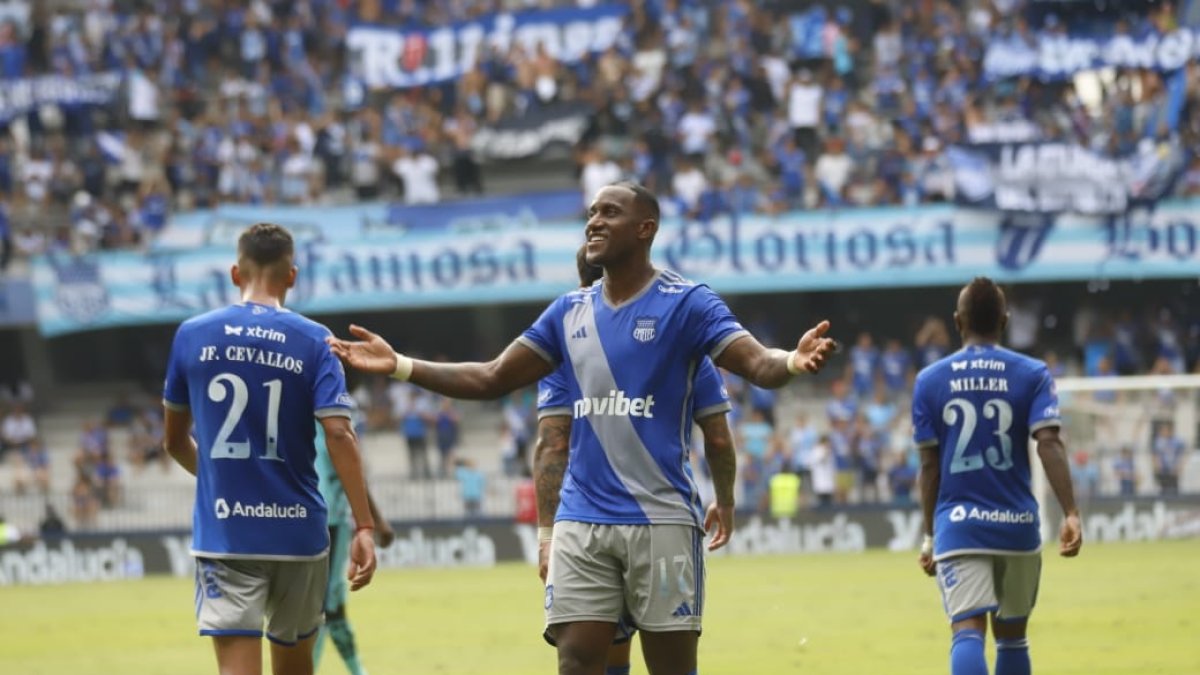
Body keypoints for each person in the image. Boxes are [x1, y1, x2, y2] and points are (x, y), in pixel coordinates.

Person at [329, 181, 837, 675]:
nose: (594, 221)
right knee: (575, 659)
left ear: (645, 229)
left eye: (609, 212)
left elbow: (756, 364)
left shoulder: (688, 304)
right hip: (582, 519)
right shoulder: (566, 313)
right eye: (592, 212)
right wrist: (400, 364)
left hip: (660, 519)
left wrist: (793, 359)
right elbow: (491, 378)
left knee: (672, 668)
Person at [162, 222, 377, 675]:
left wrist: (222, 480)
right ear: (292, 276)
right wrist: (364, 525)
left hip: (227, 533)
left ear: (235, 274)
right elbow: (340, 435)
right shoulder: (317, 340)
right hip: (299, 534)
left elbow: (174, 441)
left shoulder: (192, 335)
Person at [533, 245, 741, 675]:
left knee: (594, 653)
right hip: (661, 520)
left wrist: (547, 535)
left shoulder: (567, 344)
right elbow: (718, 440)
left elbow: (551, 444)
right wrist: (725, 500)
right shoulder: (681, 343)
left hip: (587, 521)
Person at [912, 277, 1082, 675]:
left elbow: (929, 466)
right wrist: (1071, 511)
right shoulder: (1032, 372)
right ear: (1004, 320)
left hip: (959, 525)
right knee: (1012, 637)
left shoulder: (930, 380)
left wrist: (929, 536)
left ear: (957, 322)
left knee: (967, 631)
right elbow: (1049, 443)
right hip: (1017, 524)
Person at [312, 415, 396, 675]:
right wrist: (375, 521)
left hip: (301, 515)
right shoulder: (330, 414)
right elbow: (348, 467)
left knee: (323, 605)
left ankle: (357, 670)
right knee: (326, 606)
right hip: (330, 518)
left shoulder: (300, 408)